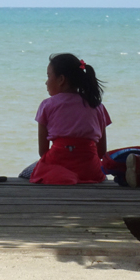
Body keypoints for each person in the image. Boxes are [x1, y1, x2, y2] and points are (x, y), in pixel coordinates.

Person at [30, 53, 110, 185]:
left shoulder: (47, 105)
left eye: (48, 76)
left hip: (57, 167)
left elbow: (43, 152)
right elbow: (101, 153)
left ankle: (66, 177)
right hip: (90, 171)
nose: (46, 82)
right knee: (101, 175)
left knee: (26, 173)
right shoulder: (97, 106)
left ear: (61, 79)